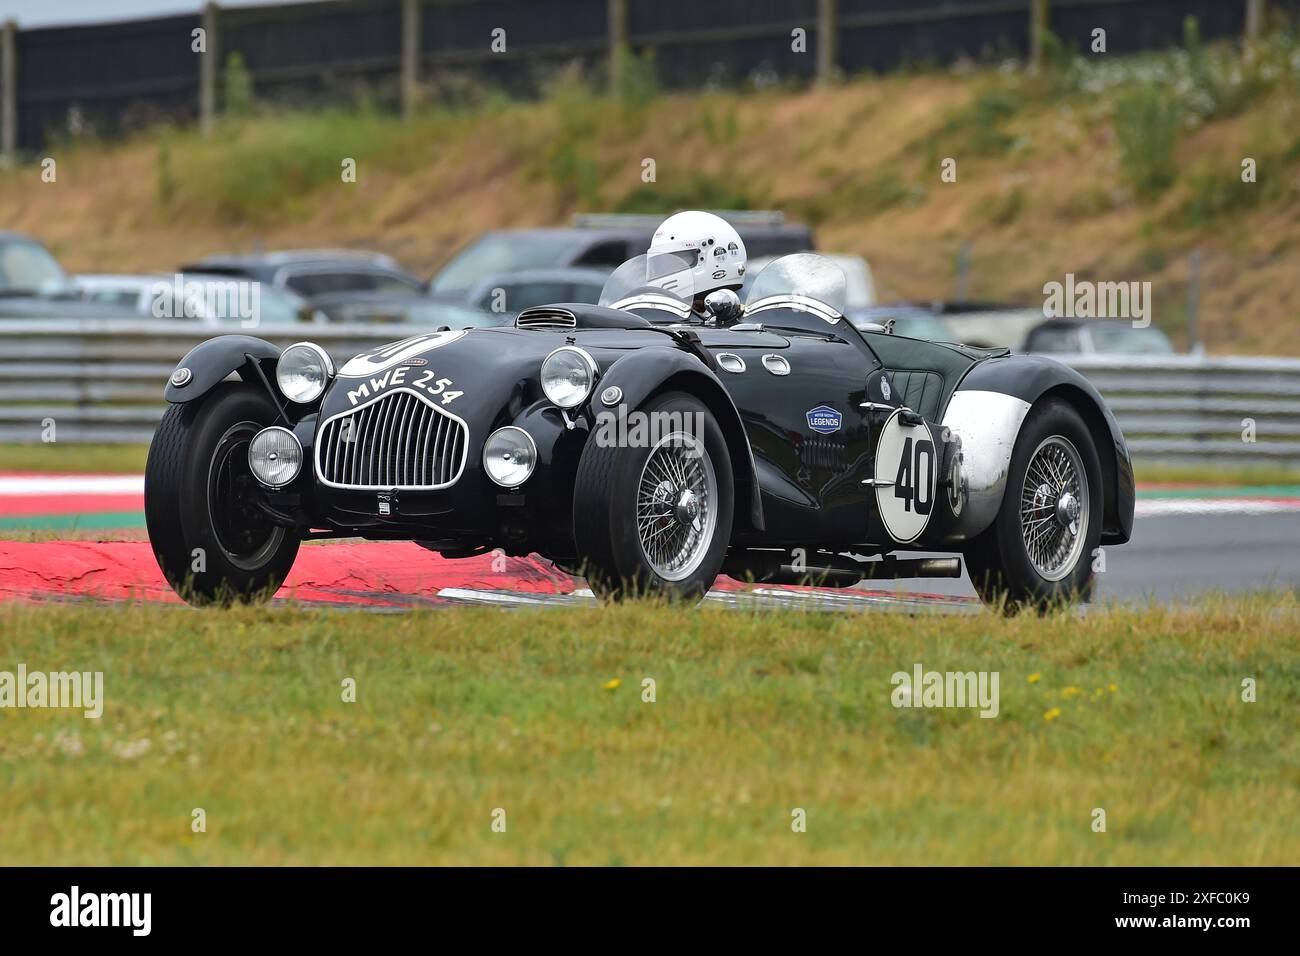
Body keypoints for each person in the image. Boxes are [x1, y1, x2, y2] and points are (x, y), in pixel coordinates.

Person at [643, 211, 747, 319]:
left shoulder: (746, 322)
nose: (666, 269)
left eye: (676, 261)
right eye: (661, 264)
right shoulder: (658, 318)